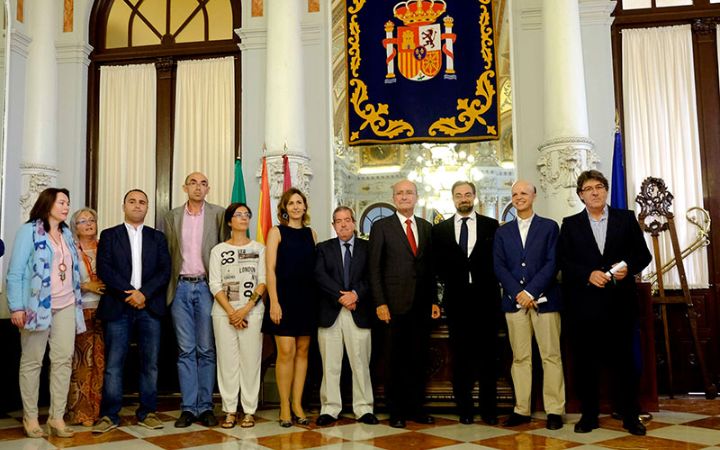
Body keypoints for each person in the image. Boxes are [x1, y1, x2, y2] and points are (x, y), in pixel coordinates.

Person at [558, 170, 651, 436]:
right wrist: (587, 273)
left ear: (606, 191)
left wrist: (628, 267)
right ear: (580, 195)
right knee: (585, 364)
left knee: (625, 364)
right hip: (584, 308)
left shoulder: (626, 218)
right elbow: (564, 261)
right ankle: (589, 416)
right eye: (588, 189)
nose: (595, 192)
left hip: (620, 305)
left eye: (599, 187)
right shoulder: (570, 224)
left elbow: (642, 255)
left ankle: (631, 416)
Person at [6, 188, 86, 438]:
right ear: (48, 204)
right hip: (36, 307)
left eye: (68, 203)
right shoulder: (28, 231)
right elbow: (15, 272)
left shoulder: (67, 235)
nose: (66, 207)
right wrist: (16, 306)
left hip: (66, 305)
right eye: (62, 202)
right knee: (32, 362)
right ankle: (30, 417)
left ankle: (56, 417)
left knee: (63, 361)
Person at [92, 189, 171, 433]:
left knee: (150, 363)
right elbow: (104, 269)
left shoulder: (157, 237)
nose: (137, 206)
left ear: (147, 208)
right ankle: (109, 415)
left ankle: (148, 412)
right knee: (114, 364)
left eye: (142, 202)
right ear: (124, 206)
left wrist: (143, 294)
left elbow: (164, 270)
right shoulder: (109, 235)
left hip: (150, 307)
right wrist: (130, 293)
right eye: (132, 202)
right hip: (119, 307)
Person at [368, 180, 440, 429]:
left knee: (418, 360)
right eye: (400, 193)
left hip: (420, 307)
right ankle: (396, 411)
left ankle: (416, 408)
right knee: (393, 361)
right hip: (392, 306)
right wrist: (380, 302)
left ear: (417, 197)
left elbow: (430, 269)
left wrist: (433, 300)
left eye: (409, 193)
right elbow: (374, 268)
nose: (404, 196)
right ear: (394, 198)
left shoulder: (426, 227)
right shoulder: (381, 227)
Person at [493, 180, 565, 430]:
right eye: (514, 193)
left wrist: (532, 291)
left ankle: (554, 410)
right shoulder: (502, 232)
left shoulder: (549, 227)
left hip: (545, 301)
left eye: (524, 192)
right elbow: (499, 266)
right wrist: (518, 293)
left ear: (534, 196)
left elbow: (553, 262)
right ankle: (521, 410)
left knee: (551, 356)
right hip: (514, 305)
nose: (519, 197)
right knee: (520, 358)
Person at [432, 181, 500, 425]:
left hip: (487, 302)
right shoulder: (439, 231)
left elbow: (499, 263)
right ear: (452, 199)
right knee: (460, 359)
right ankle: (465, 409)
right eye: (459, 195)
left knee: (488, 358)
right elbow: (435, 270)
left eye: (468, 194)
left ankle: (489, 409)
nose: (464, 198)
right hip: (457, 303)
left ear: (474, 197)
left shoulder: (491, 226)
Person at [164, 172, 225, 427]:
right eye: (193, 183)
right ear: (184, 187)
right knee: (185, 350)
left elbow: (223, 250)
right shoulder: (172, 216)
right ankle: (189, 408)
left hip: (207, 288)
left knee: (207, 349)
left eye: (202, 183)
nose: (198, 187)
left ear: (208, 188)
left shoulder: (218, 214)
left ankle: (206, 406)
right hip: (180, 289)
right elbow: (168, 252)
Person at [314, 206, 379, 426]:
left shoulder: (368, 248)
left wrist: (355, 295)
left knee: (360, 363)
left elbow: (373, 276)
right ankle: (330, 408)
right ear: (333, 225)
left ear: (354, 223)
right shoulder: (323, 248)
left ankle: (364, 408)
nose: (343, 224)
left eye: (347, 220)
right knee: (330, 364)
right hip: (331, 313)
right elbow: (320, 276)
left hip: (359, 312)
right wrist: (341, 297)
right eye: (338, 221)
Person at [262, 187, 317, 427]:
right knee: (286, 353)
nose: (296, 206)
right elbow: (270, 270)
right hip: (283, 299)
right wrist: (274, 301)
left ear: (305, 207)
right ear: (284, 208)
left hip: (307, 299)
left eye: (299, 202)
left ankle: (297, 403)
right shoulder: (276, 232)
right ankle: (284, 406)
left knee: (303, 352)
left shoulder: (311, 234)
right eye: (291, 203)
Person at [209, 203, 266, 429]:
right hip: (224, 314)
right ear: (230, 221)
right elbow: (214, 283)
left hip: (252, 312)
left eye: (246, 215)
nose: (243, 218)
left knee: (251, 361)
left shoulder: (260, 248)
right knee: (227, 363)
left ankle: (249, 410)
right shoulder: (218, 250)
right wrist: (233, 312)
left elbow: (263, 281)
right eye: (238, 215)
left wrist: (246, 308)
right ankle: (230, 410)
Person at [66, 208, 107, 427]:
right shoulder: (69, 249)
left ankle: (95, 411)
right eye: (83, 221)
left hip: (104, 311)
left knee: (100, 362)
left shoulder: (105, 247)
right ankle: (78, 412)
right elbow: (60, 279)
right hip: (79, 311)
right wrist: (85, 285)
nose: (89, 224)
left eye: (92, 220)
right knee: (81, 362)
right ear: (75, 226)